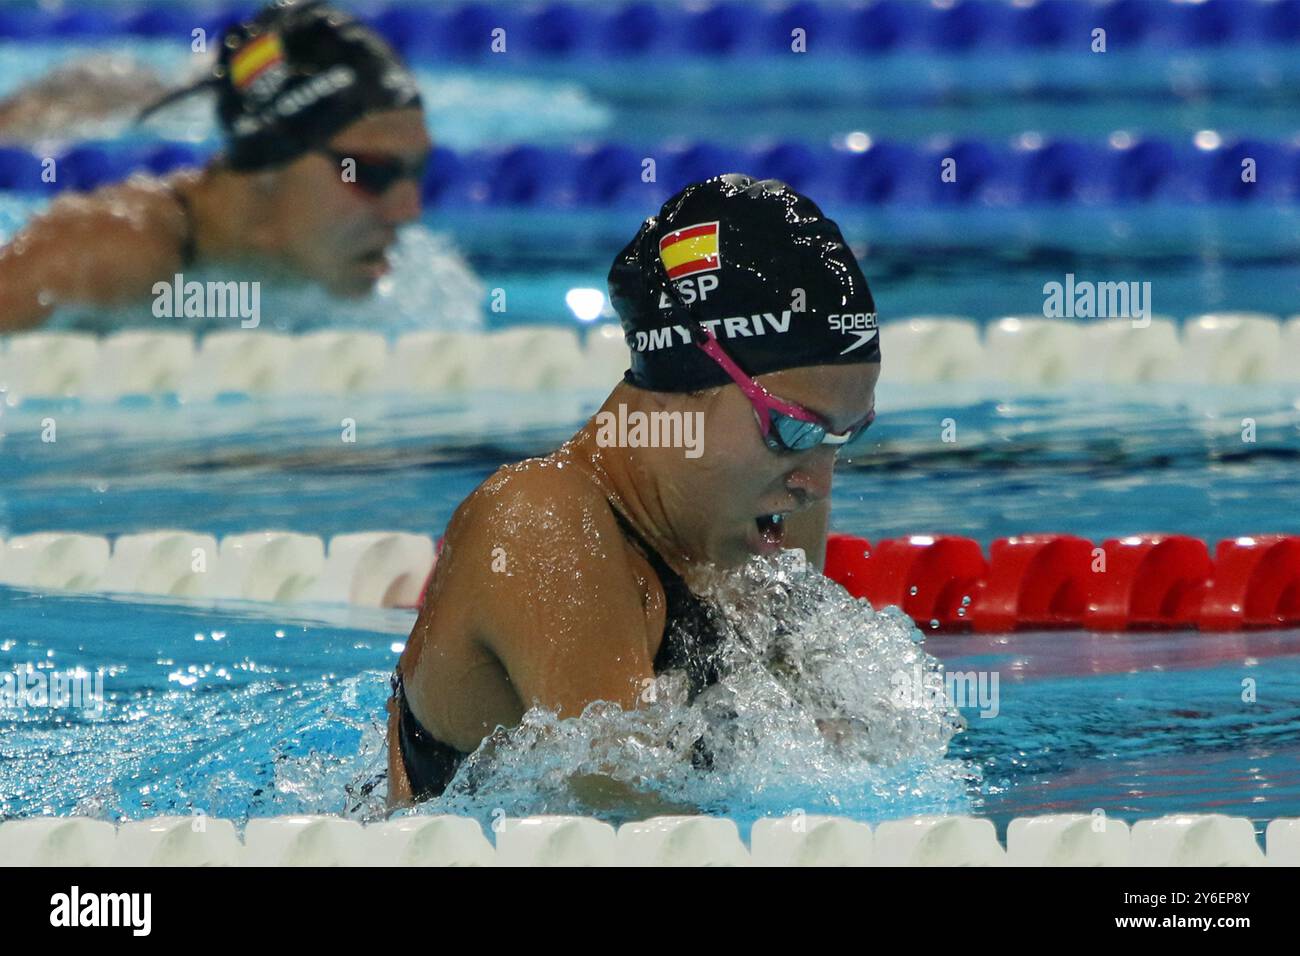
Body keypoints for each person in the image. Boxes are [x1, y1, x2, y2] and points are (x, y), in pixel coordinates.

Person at [387, 173, 882, 807]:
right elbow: (632, 822)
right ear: (680, 385)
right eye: (792, 427)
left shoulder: (768, 502)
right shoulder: (542, 522)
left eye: (846, 436)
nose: (817, 481)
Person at [0, 0, 430, 331]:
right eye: (371, 171)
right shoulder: (106, 254)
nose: (408, 210)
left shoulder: (410, 281)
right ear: (267, 172)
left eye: (418, 171)